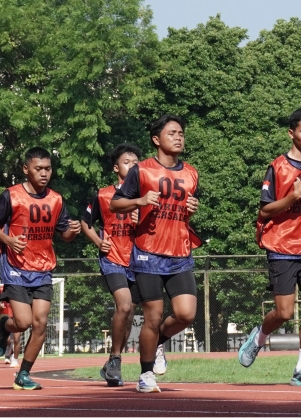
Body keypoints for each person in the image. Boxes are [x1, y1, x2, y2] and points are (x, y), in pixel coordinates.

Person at [238, 108, 301, 387]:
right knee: (283, 313)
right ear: (291, 133)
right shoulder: (278, 168)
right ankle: (259, 336)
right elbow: (264, 212)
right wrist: (292, 195)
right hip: (281, 247)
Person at [110, 115, 202, 393]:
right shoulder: (142, 170)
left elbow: (184, 207)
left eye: (181, 133)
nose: (178, 137)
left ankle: (156, 343)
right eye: (172, 132)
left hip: (180, 253)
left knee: (186, 314)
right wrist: (139, 200)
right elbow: (116, 204)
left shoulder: (192, 173)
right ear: (156, 139)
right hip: (148, 254)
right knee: (152, 316)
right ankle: (146, 374)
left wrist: (192, 207)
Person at [0, 147, 81, 390]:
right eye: (38, 169)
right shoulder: (11, 195)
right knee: (24, 321)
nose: (44, 173)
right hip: (15, 267)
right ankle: (5, 327)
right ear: (26, 169)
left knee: (40, 324)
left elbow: (65, 234)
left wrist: (73, 231)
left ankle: (23, 375)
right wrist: (8, 241)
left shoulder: (56, 199)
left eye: (47, 168)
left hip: (43, 268)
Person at [81, 143, 143, 387]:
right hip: (113, 258)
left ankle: (110, 363)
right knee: (124, 305)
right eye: (128, 162)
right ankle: (116, 360)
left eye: (137, 162)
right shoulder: (103, 194)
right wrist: (98, 241)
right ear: (116, 167)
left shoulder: (146, 196)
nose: (133, 165)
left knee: (129, 316)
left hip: (138, 261)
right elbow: (85, 222)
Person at [0, 286, 21, 368]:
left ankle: (15, 359)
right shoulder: (2, 289)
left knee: (16, 339)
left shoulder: (21, 289)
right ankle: (8, 354)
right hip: (6, 317)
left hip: (17, 317)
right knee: (8, 340)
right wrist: (0, 305)